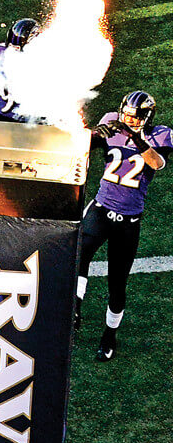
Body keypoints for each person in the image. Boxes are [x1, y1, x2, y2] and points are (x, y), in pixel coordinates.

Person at [76, 92, 171, 362]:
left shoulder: (161, 135)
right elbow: (81, 147)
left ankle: (109, 336)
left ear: (146, 117)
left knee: (118, 284)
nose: (127, 120)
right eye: (125, 115)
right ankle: (75, 308)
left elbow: (156, 163)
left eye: (133, 117)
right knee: (78, 256)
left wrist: (137, 139)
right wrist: (95, 135)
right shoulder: (111, 121)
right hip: (101, 208)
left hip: (129, 220)